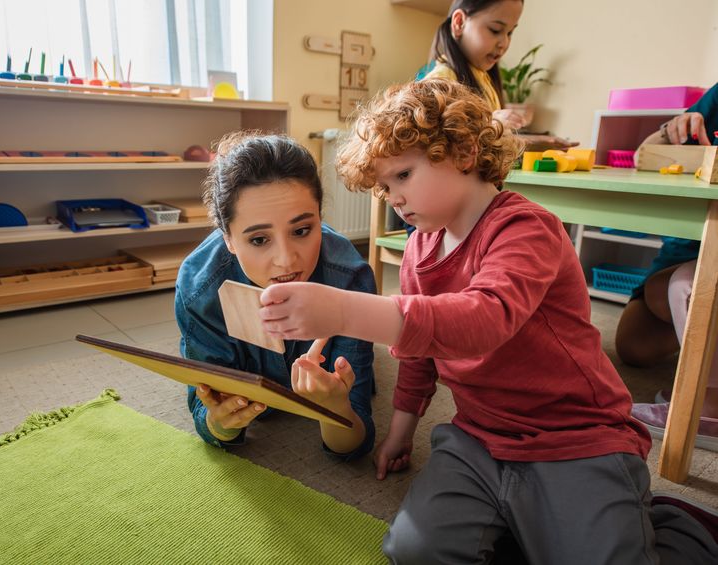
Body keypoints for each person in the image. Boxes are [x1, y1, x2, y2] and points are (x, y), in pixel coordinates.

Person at [257, 79, 718, 563]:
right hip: (479, 436)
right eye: (384, 186)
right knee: (413, 551)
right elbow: (418, 353)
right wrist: (401, 430)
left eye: (404, 175)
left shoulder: (525, 227)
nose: (392, 197)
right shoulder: (418, 248)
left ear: (463, 152)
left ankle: (659, 519)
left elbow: (483, 319)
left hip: (575, 435)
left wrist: (343, 310)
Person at [175, 132, 376, 460]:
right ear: (227, 238)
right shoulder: (200, 287)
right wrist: (221, 423)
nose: (286, 260)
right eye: (258, 239)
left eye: (301, 231)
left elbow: (354, 444)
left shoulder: (350, 277)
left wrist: (335, 406)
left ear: (320, 218)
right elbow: (207, 415)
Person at [616, 82, 718, 450]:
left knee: (681, 287)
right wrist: (670, 127)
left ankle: (707, 404)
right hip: (685, 246)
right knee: (634, 347)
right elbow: (644, 155)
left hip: (701, 256)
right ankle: (701, 348)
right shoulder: (717, 96)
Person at [422, 0, 577, 151]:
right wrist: (492, 125)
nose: (504, 43)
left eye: (510, 32)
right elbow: (434, 145)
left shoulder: (484, 79)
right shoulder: (441, 81)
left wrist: (539, 143)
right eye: (495, 30)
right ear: (459, 22)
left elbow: (490, 145)